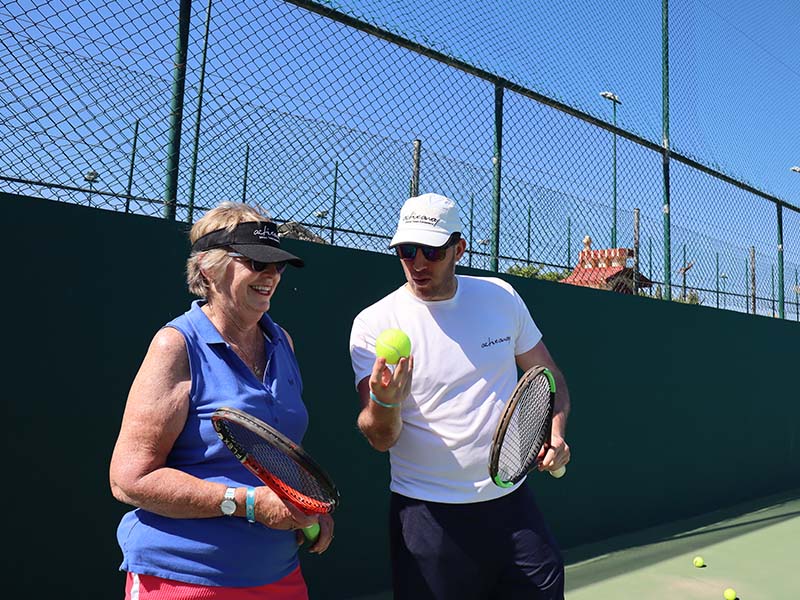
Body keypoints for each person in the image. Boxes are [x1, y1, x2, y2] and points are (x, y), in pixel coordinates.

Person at [349, 193, 571, 600]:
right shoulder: (373, 324)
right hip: (427, 515)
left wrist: (554, 433)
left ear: (458, 248)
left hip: (512, 504)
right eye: (406, 250)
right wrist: (385, 403)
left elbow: (549, 377)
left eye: (431, 251)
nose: (417, 263)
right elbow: (380, 438)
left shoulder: (501, 297)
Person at [110, 201, 333, 600]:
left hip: (279, 573)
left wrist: (307, 506)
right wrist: (248, 503)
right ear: (209, 269)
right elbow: (130, 479)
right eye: (256, 262)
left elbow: (277, 450)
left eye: (277, 265)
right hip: (185, 578)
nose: (270, 275)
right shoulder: (175, 345)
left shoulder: (282, 341)